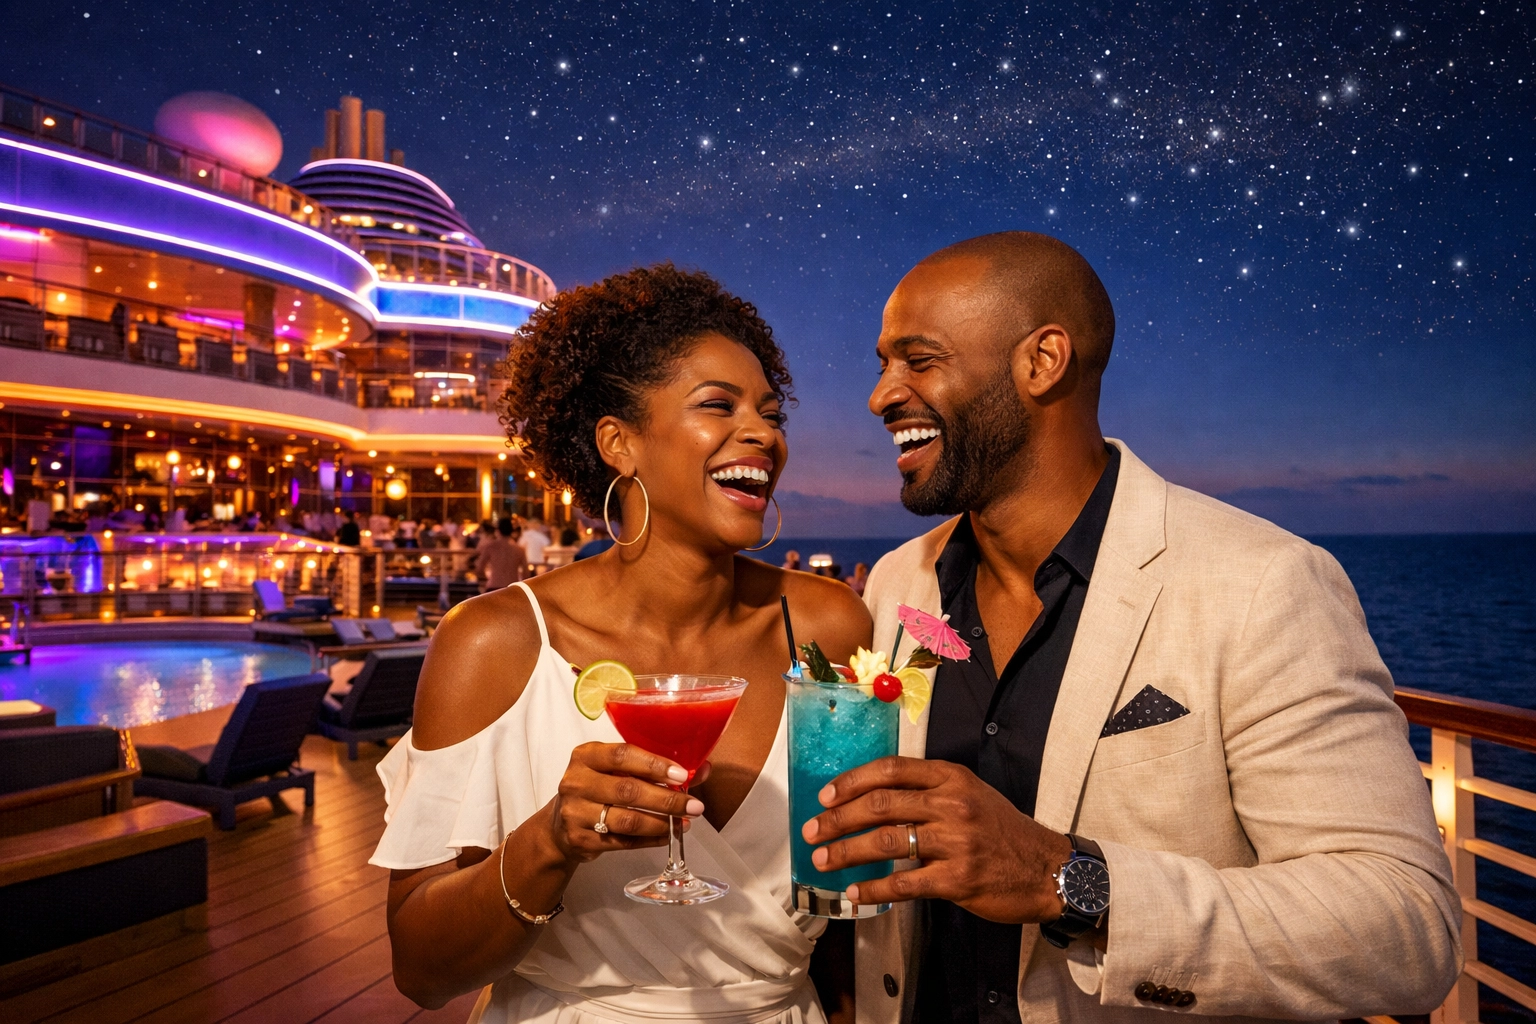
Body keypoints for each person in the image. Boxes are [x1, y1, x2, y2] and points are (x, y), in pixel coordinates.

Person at [800, 233, 1460, 1022]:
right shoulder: (900, 581)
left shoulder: (1260, 582)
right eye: (882, 364)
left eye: (919, 359)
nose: (880, 396)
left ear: (1042, 362)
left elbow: (1407, 927)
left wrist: (1066, 881)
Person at [372, 263, 872, 1022]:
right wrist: (552, 842)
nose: (764, 435)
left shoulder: (829, 628)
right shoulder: (495, 642)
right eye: (719, 405)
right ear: (618, 442)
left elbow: (840, 914)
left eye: (772, 414)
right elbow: (421, 969)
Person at [474, 517, 527, 591]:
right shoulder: (519, 550)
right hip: (512, 588)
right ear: (511, 531)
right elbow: (526, 573)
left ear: (497, 531)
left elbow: (479, 568)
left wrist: (485, 581)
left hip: (494, 585)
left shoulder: (490, 547)